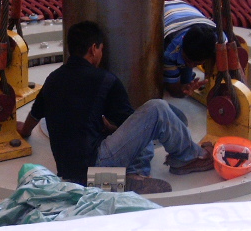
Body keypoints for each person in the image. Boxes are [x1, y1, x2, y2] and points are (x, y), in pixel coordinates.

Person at [17, 21, 214, 194]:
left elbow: (34, 115)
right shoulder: (104, 80)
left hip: (69, 171)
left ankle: (125, 180)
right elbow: (129, 123)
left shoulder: (53, 79)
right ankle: (187, 157)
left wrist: (23, 131)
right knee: (156, 110)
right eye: (101, 49)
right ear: (94, 48)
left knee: (130, 127)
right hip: (96, 163)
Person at [163, 0, 218, 98]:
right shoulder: (169, 51)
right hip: (164, 9)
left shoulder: (219, 38)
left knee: (185, 76)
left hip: (183, 9)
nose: (191, 65)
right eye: (188, 60)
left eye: (197, 63)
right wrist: (182, 91)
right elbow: (174, 91)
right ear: (182, 46)